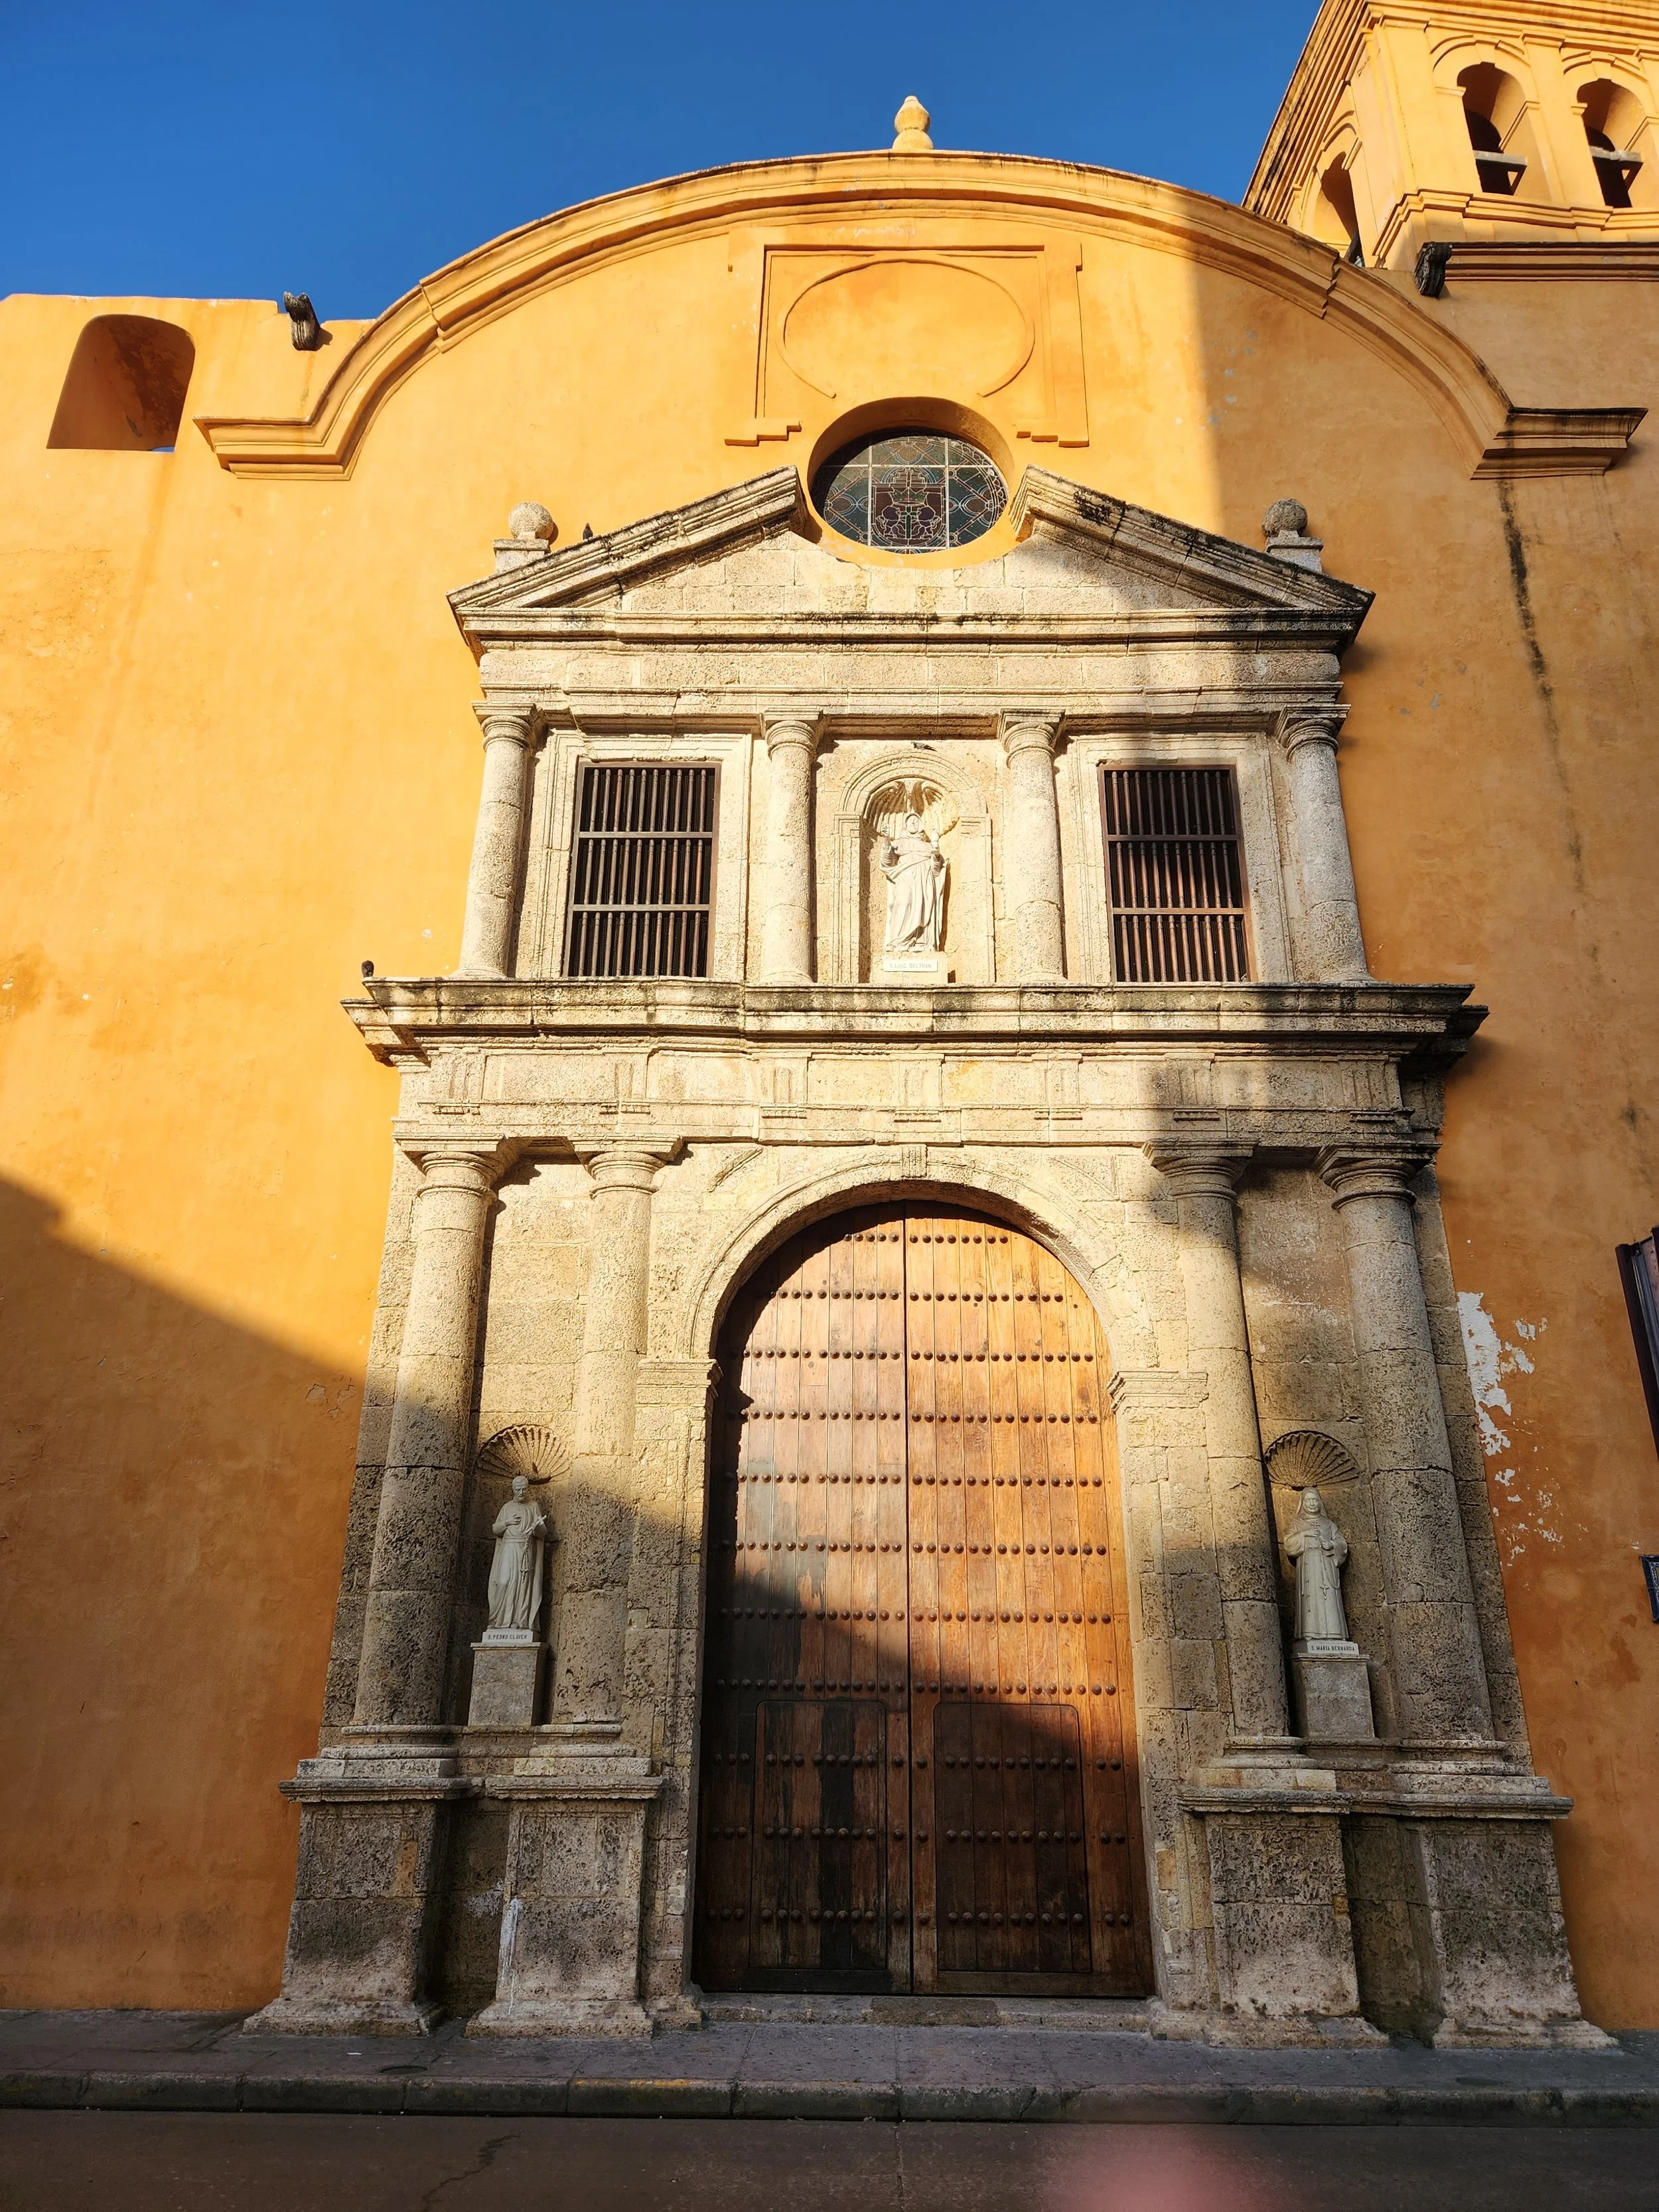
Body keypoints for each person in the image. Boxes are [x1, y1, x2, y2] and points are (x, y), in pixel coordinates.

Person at [879, 811, 946, 952]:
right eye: (911, 822)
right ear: (905, 825)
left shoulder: (928, 846)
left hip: (924, 880)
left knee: (924, 908)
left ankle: (921, 943)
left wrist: (936, 856)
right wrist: (886, 840)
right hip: (905, 877)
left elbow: (936, 870)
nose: (913, 824)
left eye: (916, 822)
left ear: (921, 825)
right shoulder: (898, 844)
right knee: (904, 901)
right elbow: (887, 861)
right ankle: (898, 941)